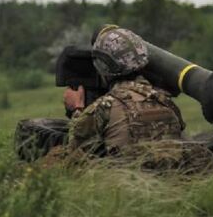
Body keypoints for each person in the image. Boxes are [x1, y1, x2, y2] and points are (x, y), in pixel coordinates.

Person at [63, 25, 186, 157]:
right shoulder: (165, 101)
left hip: (125, 170)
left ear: (103, 66)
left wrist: (77, 107)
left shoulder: (104, 107)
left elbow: (75, 150)